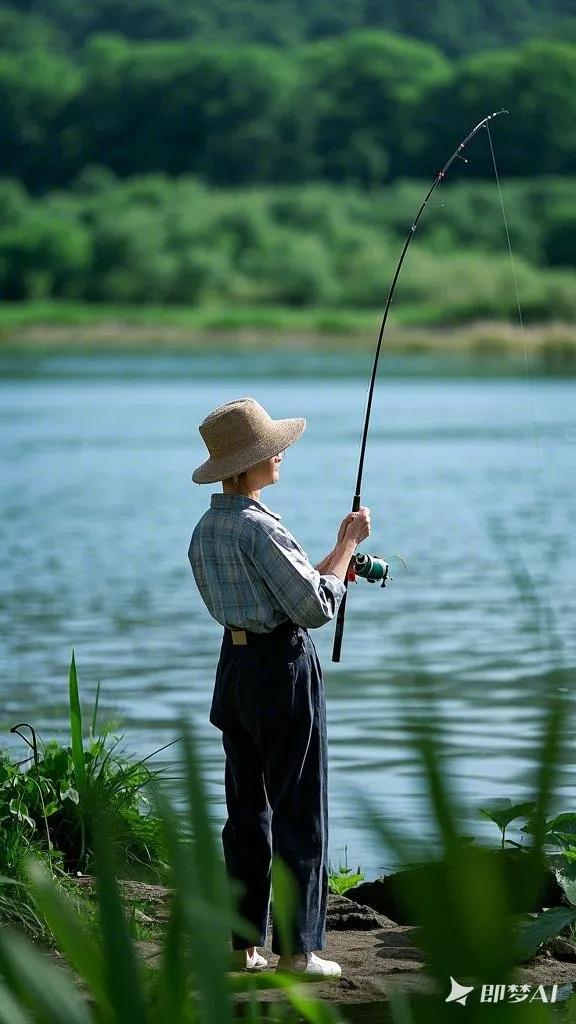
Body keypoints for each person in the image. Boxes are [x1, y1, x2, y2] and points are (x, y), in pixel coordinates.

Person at [188, 396, 370, 976]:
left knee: (245, 812)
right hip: (281, 672)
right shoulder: (259, 528)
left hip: (234, 671)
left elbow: (273, 595)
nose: (282, 455)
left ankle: (243, 947)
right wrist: (348, 546)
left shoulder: (207, 529)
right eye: (272, 450)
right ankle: (298, 953)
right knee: (299, 808)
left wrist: (329, 564)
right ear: (247, 467)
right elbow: (315, 607)